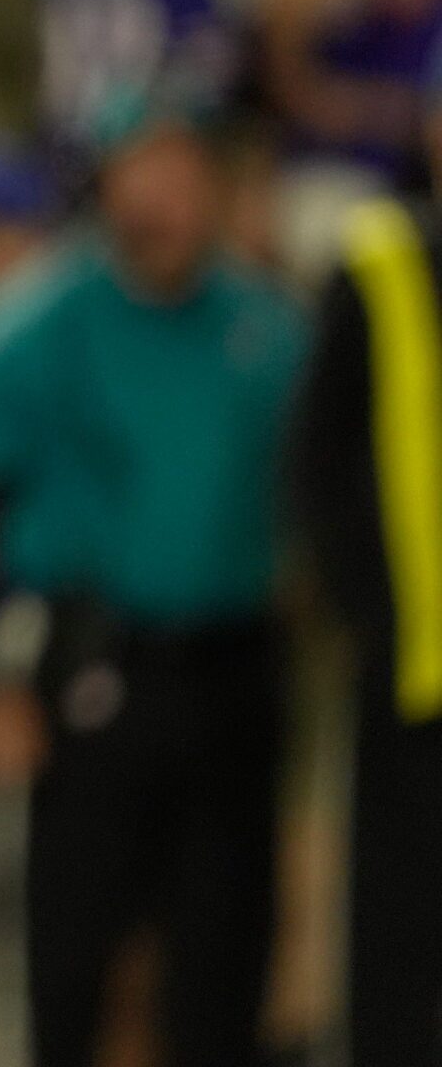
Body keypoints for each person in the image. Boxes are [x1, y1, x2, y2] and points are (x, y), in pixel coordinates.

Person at [0, 95, 306, 1067]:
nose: (166, 198)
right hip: (86, 669)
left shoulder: (267, 325)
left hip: (231, 670)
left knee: (224, 959)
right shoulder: (35, 324)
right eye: (145, 170)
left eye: (186, 172)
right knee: (61, 961)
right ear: (107, 185)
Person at [281, 54, 442, 1067]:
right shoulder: (377, 255)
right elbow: (317, 455)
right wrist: (358, 604)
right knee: (394, 925)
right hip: (410, 663)